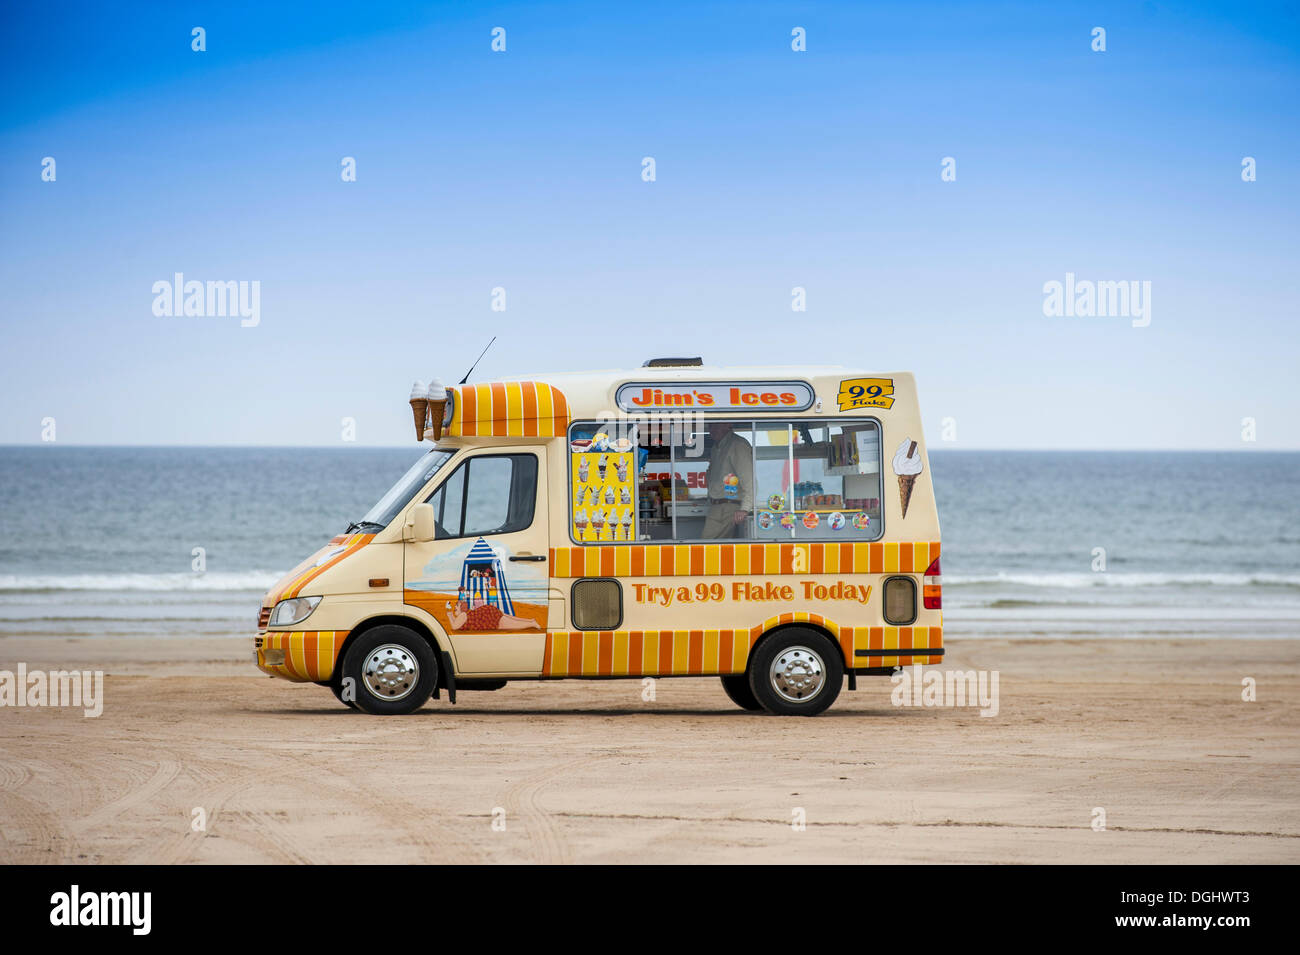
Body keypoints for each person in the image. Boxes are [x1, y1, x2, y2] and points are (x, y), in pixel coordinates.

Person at [701, 421, 753, 539]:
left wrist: (745, 509)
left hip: (728, 507)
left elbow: (748, 479)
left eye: (716, 425)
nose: (712, 429)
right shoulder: (716, 447)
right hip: (718, 506)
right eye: (710, 425)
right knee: (718, 550)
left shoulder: (737, 445)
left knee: (705, 548)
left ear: (728, 424)